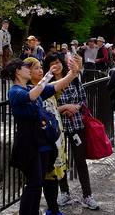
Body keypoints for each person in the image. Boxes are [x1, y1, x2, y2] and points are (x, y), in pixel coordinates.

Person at [0, 55, 77, 215]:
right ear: (17, 72)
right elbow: (32, 96)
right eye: (25, 68)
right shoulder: (15, 91)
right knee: (34, 183)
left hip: (42, 140)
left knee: (39, 181)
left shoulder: (30, 88)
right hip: (29, 141)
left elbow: (55, 87)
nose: (28, 70)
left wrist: (73, 73)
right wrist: (48, 74)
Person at [55, 62, 100, 210]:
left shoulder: (74, 79)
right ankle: (65, 193)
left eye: (58, 62)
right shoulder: (50, 84)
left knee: (80, 160)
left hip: (76, 124)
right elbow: (48, 106)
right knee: (60, 160)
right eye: (52, 63)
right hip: (58, 127)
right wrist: (64, 108)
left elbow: (84, 100)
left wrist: (76, 107)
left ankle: (87, 196)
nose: (56, 65)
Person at [40, 52, 79, 215]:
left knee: (53, 176)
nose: (40, 70)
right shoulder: (34, 91)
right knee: (43, 178)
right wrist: (65, 107)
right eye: (36, 68)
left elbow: (60, 84)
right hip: (43, 141)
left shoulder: (46, 88)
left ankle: (53, 209)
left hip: (57, 137)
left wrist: (75, 72)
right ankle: (52, 208)